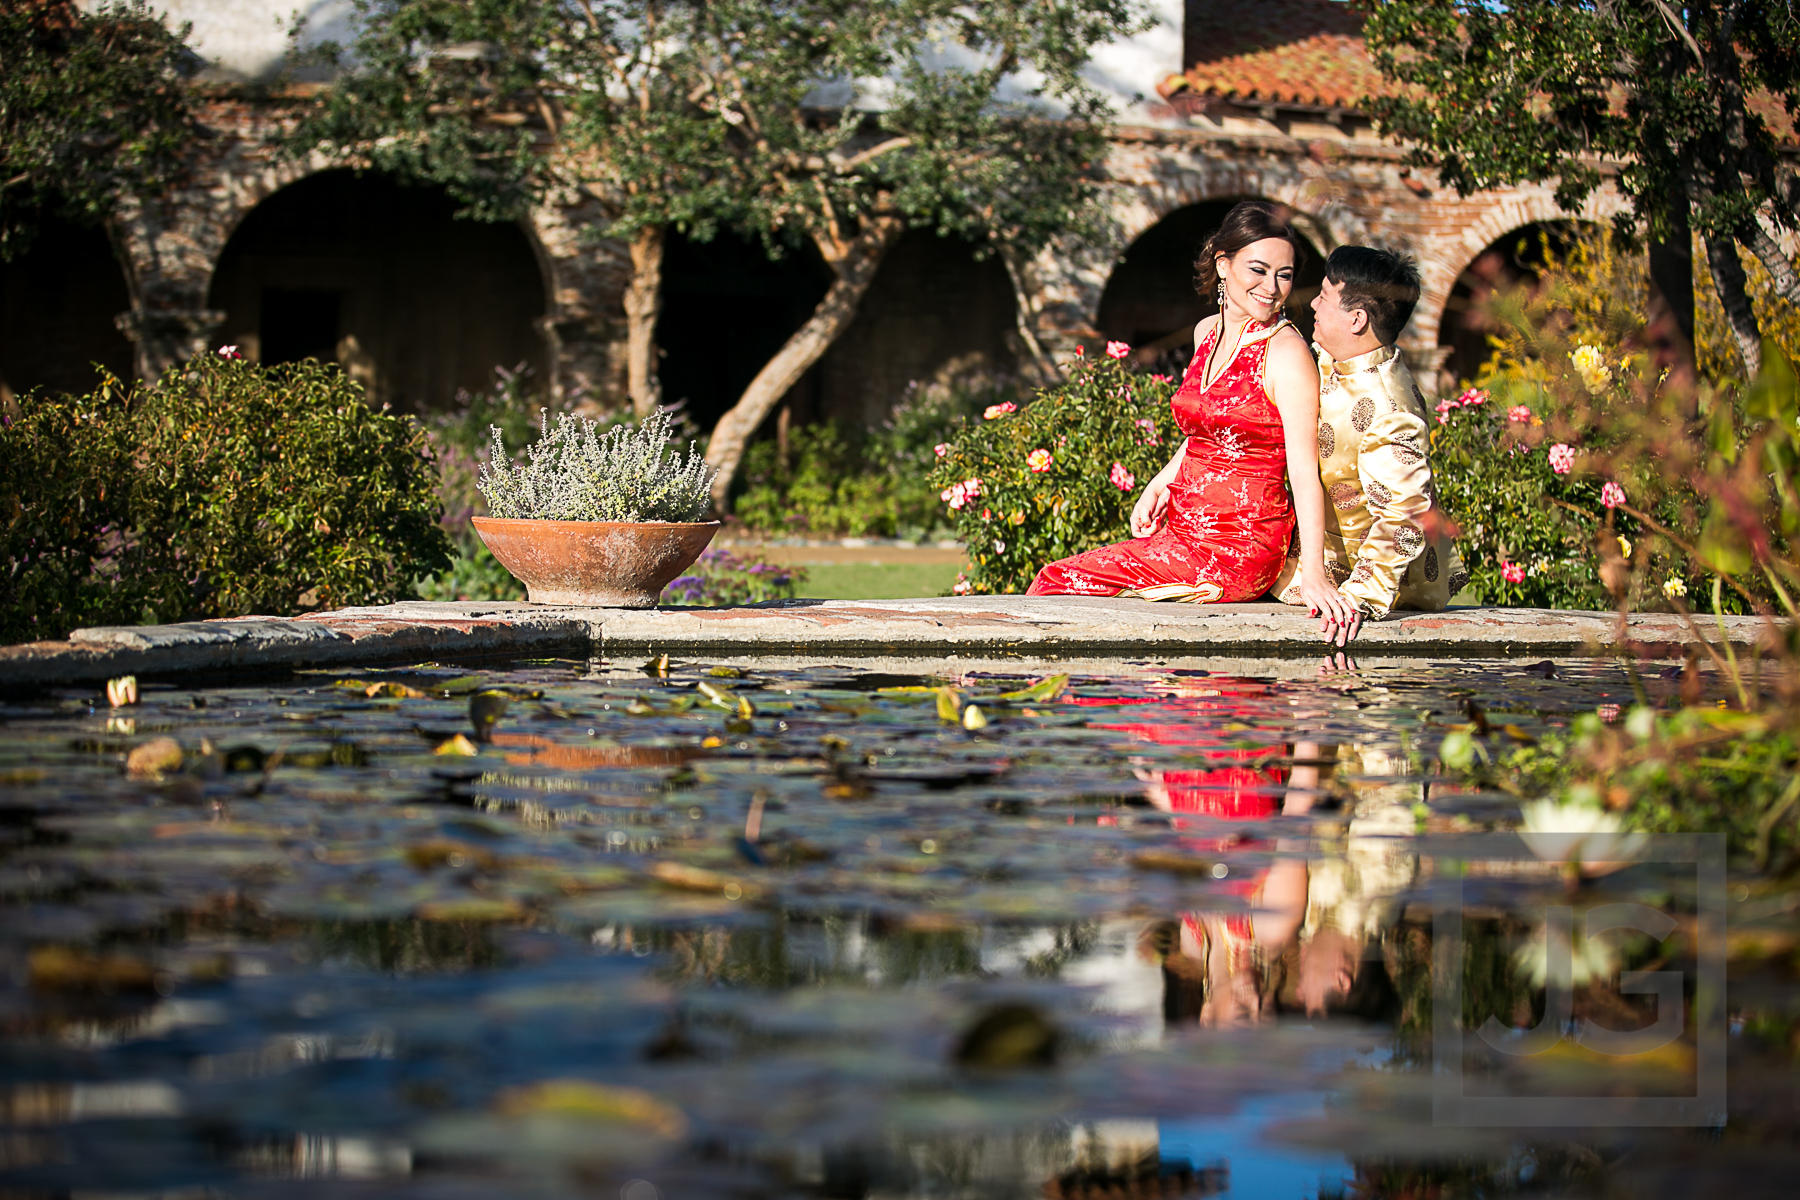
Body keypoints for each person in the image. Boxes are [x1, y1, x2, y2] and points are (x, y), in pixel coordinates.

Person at [1027, 201, 1360, 645]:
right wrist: (1162, 481)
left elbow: (1304, 469)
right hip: (1184, 530)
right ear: (1223, 265)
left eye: (1284, 274)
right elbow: (1206, 430)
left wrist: (1315, 575)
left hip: (1237, 547)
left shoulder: (1286, 353)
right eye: (1257, 270)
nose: (1271, 287)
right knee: (1068, 585)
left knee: (1057, 579)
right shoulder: (1207, 332)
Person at [1272, 246, 1467, 636]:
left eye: (1325, 297)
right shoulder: (1330, 356)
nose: (1312, 303)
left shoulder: (1390, 408)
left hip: (1369, 585)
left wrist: (1358, 598)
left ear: (1357, 319)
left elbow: (1405, 514)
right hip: (1306, 564)